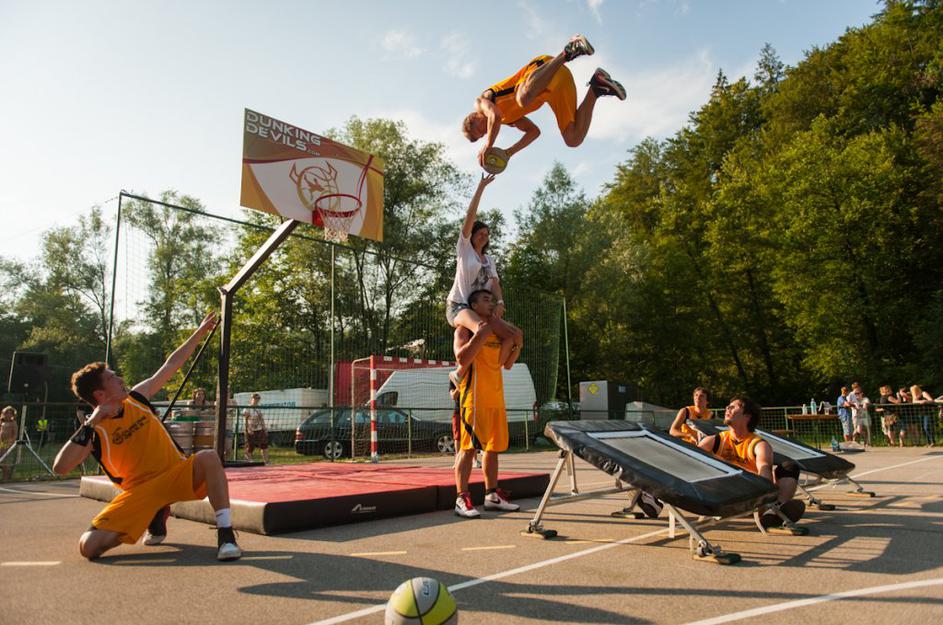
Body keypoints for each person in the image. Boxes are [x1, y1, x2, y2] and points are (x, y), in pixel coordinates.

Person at [52, 311, 242, 561]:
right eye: (112, 378)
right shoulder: (94, 430)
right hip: (140, 491)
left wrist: (199, 332)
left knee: (208, 457)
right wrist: (92, 421)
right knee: (89, 547)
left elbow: (171, 365)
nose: (120, 379)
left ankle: (225, 534)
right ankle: (154, 512)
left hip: (176, 473)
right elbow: (61, 467)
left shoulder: (137, 398)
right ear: (100, 394)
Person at [462, 34, 625, 167]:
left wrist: (488, 145)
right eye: (482, 135)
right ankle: (597, 86)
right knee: (572, 139)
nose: (485, 133)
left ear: (474, 117)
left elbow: (494, 116)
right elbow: (534, 132)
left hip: (545, 68)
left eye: (480, 130)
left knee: (522, 99)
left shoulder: (481, 102)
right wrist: (508, 152)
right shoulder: (508, 119)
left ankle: (568, 51)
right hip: (556, 87)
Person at [446, 174, 523, 385]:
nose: (484, 236)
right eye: (480, 232)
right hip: (460, 306)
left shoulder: (490, 260)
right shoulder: (464, 250)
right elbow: (470, 215)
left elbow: (495, 284)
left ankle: (494, 369)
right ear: (471, 235)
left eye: (487, 234)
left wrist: (500, 302)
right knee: (481, 329)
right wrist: (481, 187)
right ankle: (459, 373)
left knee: (515, 336)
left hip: (482, 308)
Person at [452, 289, 522, 519]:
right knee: (468, 448)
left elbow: (507, 364)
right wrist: (481, 333)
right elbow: (462, 358)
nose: (491, 303)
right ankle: (461, 498)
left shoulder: (498, 334)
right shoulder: (464, 330)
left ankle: (492, 495)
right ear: (473, 306)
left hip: (495, 398)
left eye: (492, 299)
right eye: (485, 299)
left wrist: (517, 344)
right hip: (474, 398)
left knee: (492, 448)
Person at [698, 395, 805, 530]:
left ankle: (774, 508)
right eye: (728, 406)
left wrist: (764, 496)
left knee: (789, 467)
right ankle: (772, 511)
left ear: (747, 416)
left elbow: (764, 469)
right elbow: (692, 461)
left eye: (733, 407)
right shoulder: (713, 441)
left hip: (750, 493)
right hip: (722, 492)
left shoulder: (758, 444)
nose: (727, 408)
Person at [242, 393, 269, 464]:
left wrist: (264, 428)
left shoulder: (259, 408)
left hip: (259, 429)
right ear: (251, 399)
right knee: (250, 446)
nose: (256, 400)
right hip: (250, 429)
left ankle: (266, 461)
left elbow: (261, 419)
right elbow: (245, 420)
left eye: (258, 398)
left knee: (264, 445)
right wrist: (248, 429)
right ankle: (249, 460)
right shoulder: (247, 408)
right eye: (255, 398)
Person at [0, 406, 18, 481]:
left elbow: (15, 434)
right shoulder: (2, 422)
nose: (8, 415)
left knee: (3, 459)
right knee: (1, 459)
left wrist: (11, 443)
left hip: (7, 443)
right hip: (1, 442)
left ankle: (6, 477)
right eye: (6, 413)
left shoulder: (13, 423)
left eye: (10, 413)